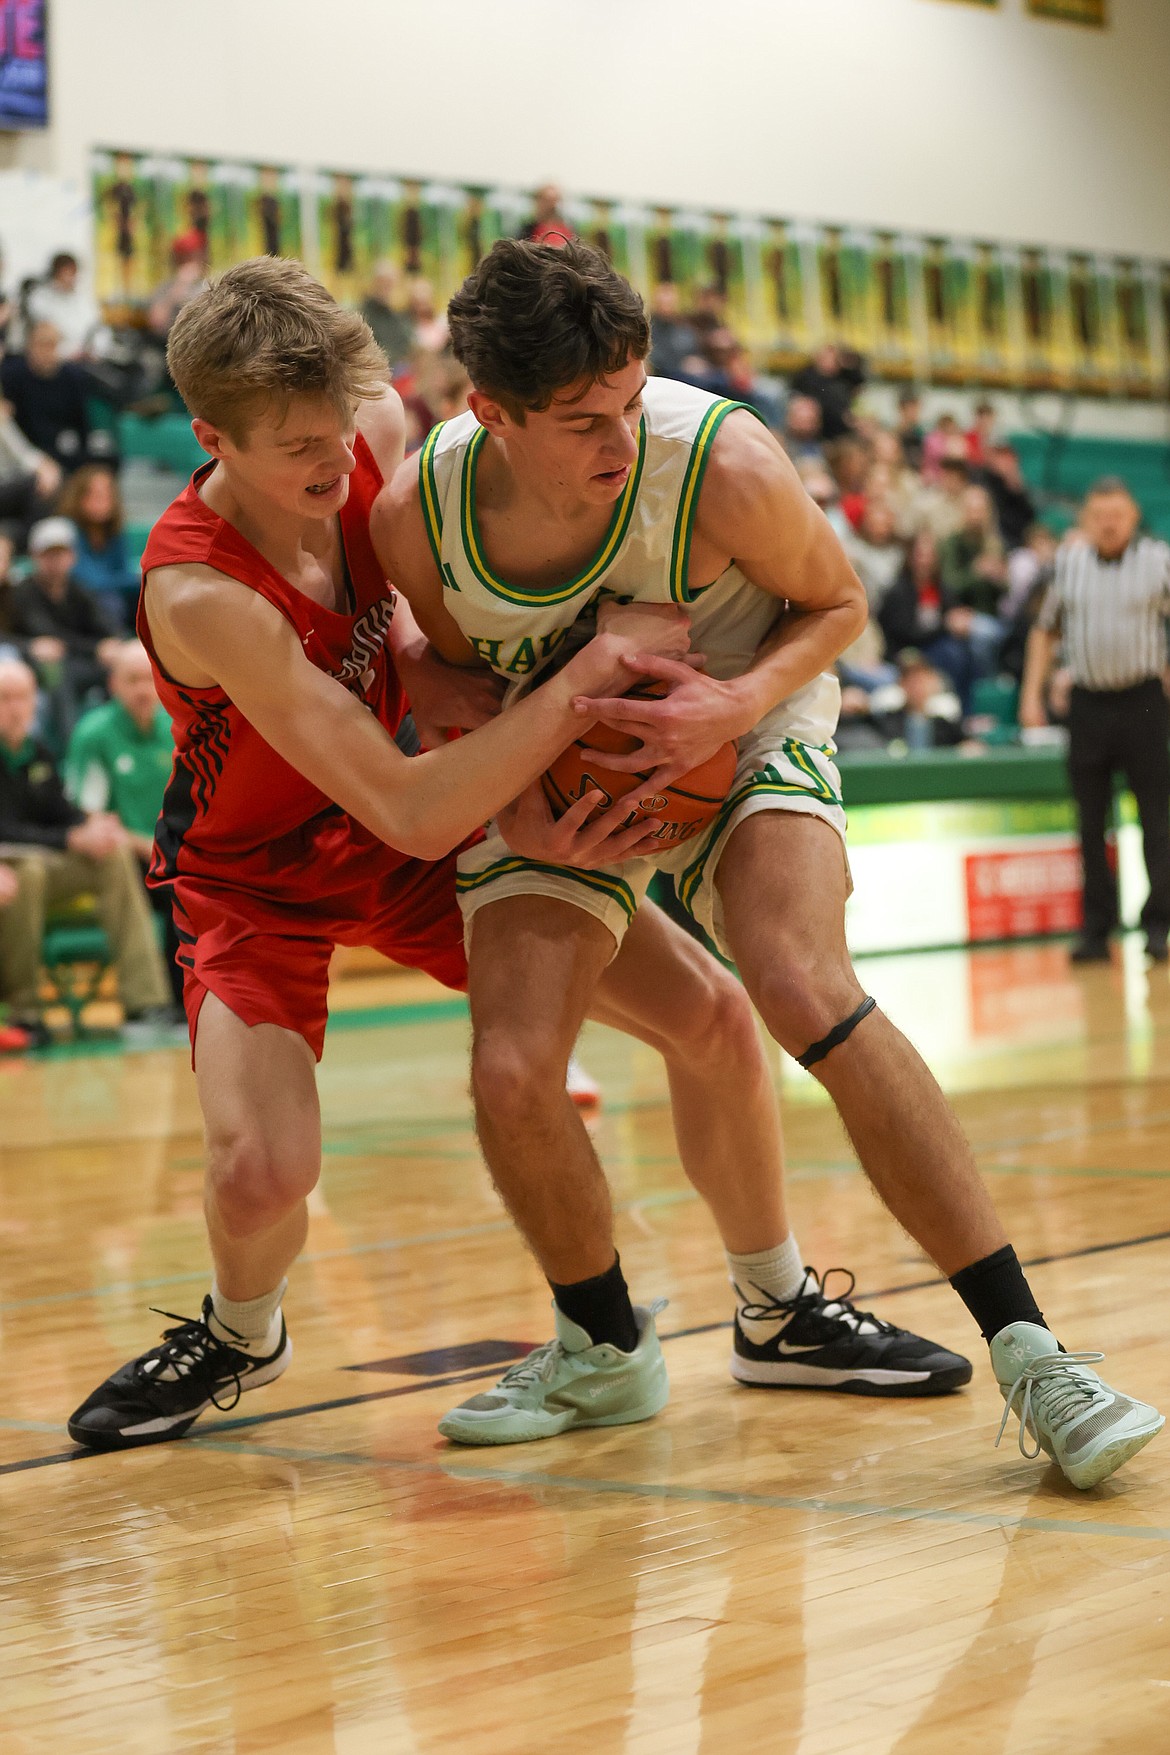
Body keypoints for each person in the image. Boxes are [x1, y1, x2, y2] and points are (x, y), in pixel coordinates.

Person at [64, 257, 917, 1452]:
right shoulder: (203, 591)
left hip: (416, 820)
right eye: (293, 451)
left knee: (716, 1020)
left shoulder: (367, 424)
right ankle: (240, 1330)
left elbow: (407, 612)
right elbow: (407, 804)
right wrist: (570, 694)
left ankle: (778, 1309)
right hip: (268, 872)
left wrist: (427, 671)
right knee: (264, 1174)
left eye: (338, 432)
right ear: (209, 436)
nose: (333, 465)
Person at [383, 239, 1161, 1485]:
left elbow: (842, 603)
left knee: (798, 982)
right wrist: (520, 809)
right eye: (585, 421)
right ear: (491, 412)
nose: (622, 441)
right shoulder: (415, 513)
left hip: (741, 720)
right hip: (566, 770)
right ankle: (600, 1344)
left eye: (633, 403)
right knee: (514, 1063)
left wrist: (729, 702)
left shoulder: (721, 463)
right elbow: (429, 668)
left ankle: (1036, 1354)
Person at [1020, 479, 1170, 965]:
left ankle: (1158, 925)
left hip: (1145, 701)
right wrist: (1031, 695)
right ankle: (1096, 930)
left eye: (1117, 514)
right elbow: (1043, 632)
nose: (1108, 522)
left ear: (1132, 518)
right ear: (1085, 519)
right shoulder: (1067, 565)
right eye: (1099, 514)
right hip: (1087, 705)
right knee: (1089, 823)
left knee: (1157, 819)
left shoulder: (1158, 561)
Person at [0, 653, 171, 1043]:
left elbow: (59, 812)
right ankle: (27, 1012)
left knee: (111, 855)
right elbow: (7, 827)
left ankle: (143, 1003)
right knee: (30, 871)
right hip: (11, 866)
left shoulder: (36, 752)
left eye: (22, 698)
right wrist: (69, 838)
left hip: (40, 861)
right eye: (5, 698)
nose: (15, 708)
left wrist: (91, 826)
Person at [65, 640, 183, 1011]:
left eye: (148, 680)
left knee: (201, 883)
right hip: (124, 859)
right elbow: (88, 816)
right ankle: (165, 1004)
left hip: (172, 853)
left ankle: (199, 1001)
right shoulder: (95, 734)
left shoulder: (174, 727)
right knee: (177, 890)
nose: (142, 690)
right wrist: (145, 846)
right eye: (131, 680)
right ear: (113, 684)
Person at [9, 517, 121, 742]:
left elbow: (105, 624)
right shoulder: (24, 592)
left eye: (61, 553)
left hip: (77, 660)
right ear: (34, 556)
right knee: (58, 675)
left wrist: (112, 644)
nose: (56, 561)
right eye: (49, 554)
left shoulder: (78, 589)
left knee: (120, 668)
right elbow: (51, 636)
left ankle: (117, 743)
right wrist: (96, 648)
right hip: (36, 665)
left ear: (72, 556)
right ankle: (71, 748)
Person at [0, 321, 98, 473]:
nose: (45, 351)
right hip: (26, 455)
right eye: (40, 344)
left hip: (64, 452)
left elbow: (82, 425)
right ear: (29, 346)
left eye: (51, 345)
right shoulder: (11, 376)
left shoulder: (74, 378)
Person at [56, 464, 140, 630]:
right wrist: (135, 579)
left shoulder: (115, 530)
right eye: (95, 495)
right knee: (110, 602)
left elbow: (121, 570)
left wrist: (139, 581)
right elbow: (87, 580)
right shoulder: (68, 529)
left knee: (149, 596)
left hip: (112, 593)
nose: (102, 501)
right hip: (76, 600)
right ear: (79, 497)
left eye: (107, 494)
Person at [358, 261, 414, 372]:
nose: (386, 287)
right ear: (374, 282)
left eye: (390, 283)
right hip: (373, 369)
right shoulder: (362, 313)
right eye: (383, 282)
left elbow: (407, 344)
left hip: (399, 369)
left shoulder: (399, 316)